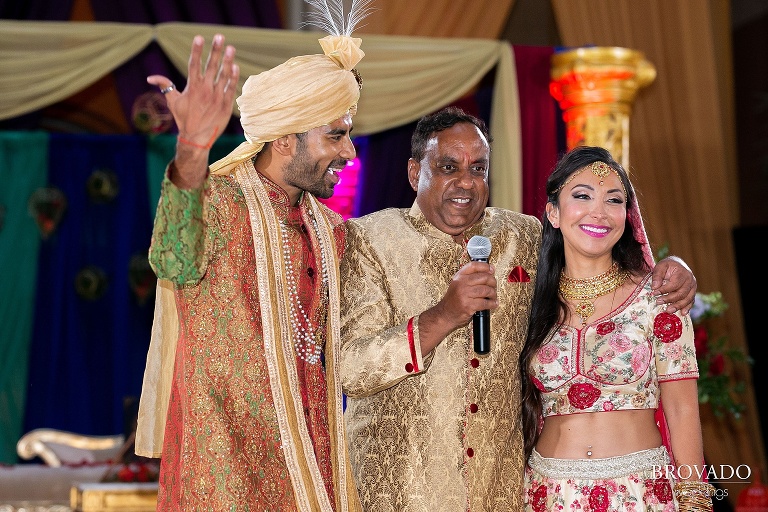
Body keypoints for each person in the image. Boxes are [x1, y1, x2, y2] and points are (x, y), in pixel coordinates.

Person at [338, 107, 698, 511]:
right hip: (403, 488)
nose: (465, 182)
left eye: (479, 169)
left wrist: (675, 268)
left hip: (503, 490)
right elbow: (350, 368)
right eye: (448, 167)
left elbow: (592, 247)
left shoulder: (522, 236)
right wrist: (444, 315)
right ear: (412, 172)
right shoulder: (368, 239)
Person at [134, 18, 367, 511]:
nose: (349, 151)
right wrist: (193, 148)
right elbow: (171, 259)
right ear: (284, 139)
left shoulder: (333, 231)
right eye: (335, 136)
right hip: (224, 478)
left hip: (312, 473)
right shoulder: (215, 202)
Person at [519, 146, 713, 511]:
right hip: (546, 493)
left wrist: (695, 501)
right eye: (582, 196)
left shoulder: (658, 299)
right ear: (553, 213)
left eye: (614, 200)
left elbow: (683, 410)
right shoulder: (528, 304)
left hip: (639, 491)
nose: (599, 212)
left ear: (628, 215)